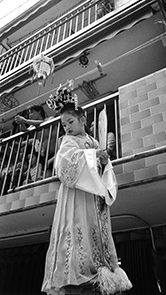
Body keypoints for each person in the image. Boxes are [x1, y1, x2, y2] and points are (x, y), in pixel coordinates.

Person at [42, 86, 132, 295]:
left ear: (83, 119)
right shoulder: (68, 141)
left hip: (93, 195)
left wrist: (102, 160)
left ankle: (101, 269)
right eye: (64, 124)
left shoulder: (92, 141)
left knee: (96, 229)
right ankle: (77, 272)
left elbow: (102, 165)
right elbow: (63, 166)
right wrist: (92, 157)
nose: (67, 128)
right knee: (78, 225)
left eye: (70, 122)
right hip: (76, 195)